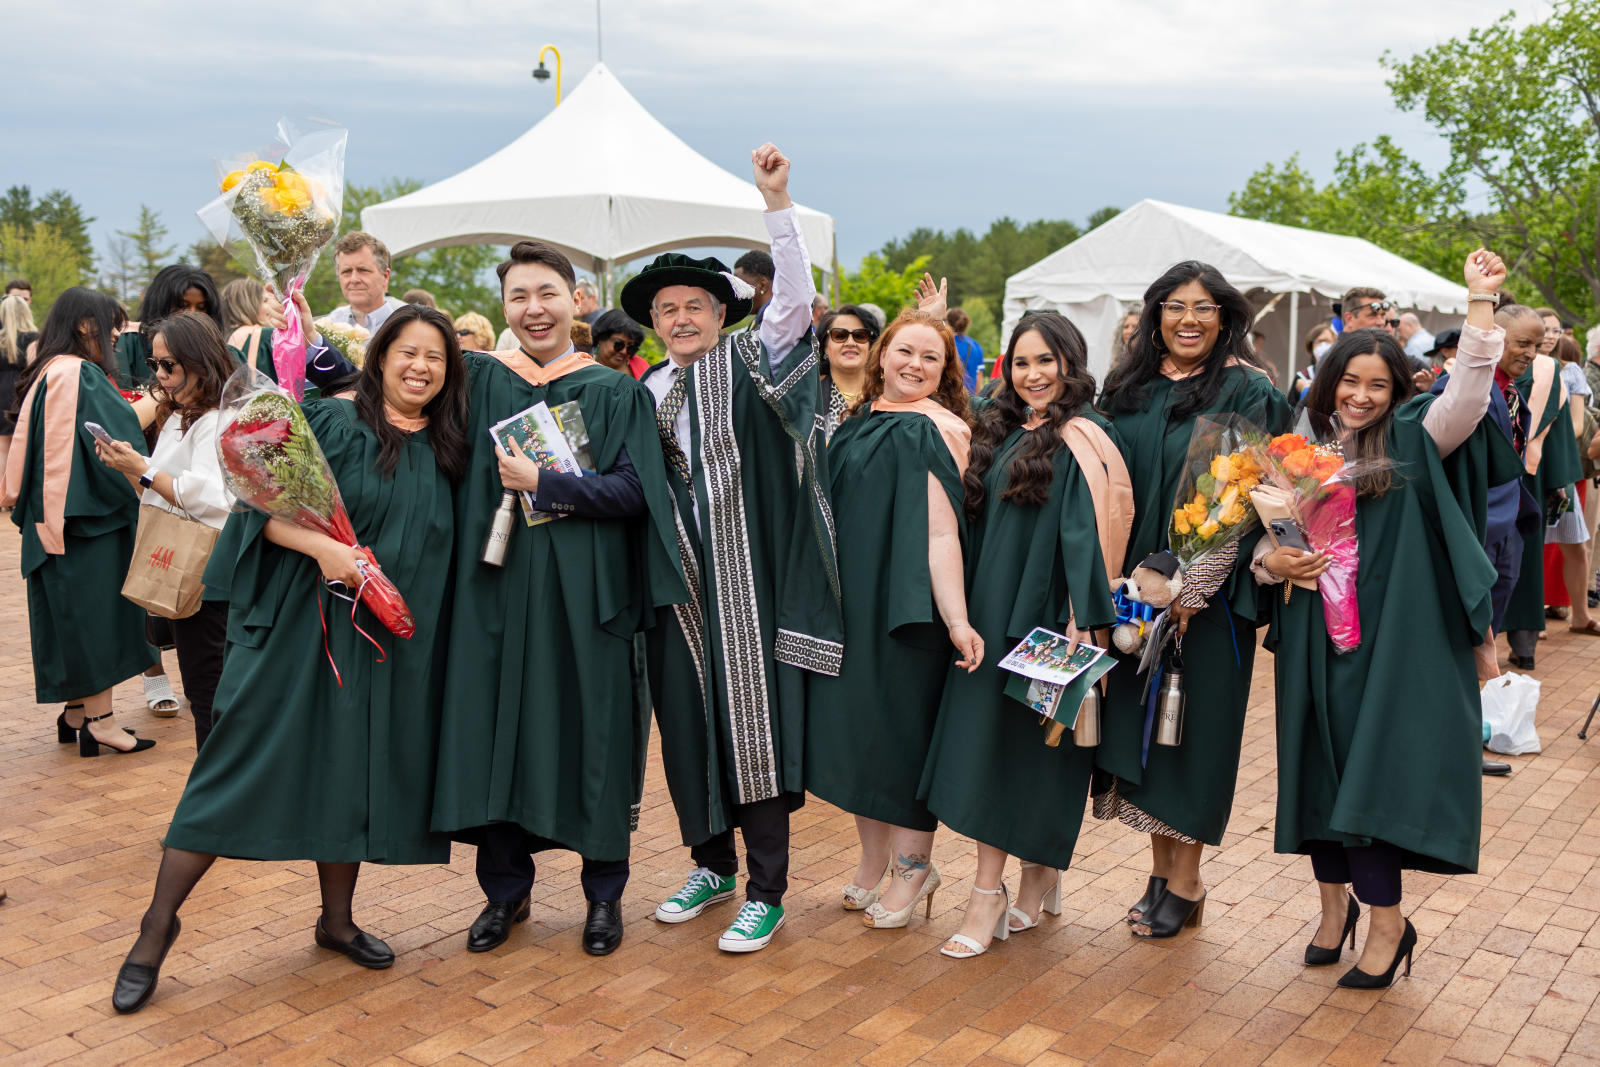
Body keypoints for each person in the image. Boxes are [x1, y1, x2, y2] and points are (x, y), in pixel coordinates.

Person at [110, 303, 469, 1014]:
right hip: (299, 632)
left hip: (381, 648)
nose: (420, 365)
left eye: (435, 355)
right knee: (231, 767)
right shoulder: (333, 425)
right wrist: (325, 548)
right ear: (381, 358)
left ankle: (336, 921)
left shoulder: (449, 452)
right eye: (408, 351)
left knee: (350, 773)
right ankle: (154, 930)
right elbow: (256, 506)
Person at [1262, 249, 1515, 989]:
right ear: (1327, 382)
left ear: (1398, 389)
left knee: (1368, 778)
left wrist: (1479, 304)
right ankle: (1332, 909)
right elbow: (1264, 539)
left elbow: (1466, 394)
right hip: (1313, 635)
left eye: (1379, 383)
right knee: (1317, 769)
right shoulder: (1298, 453)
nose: (1362, 395)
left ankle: (1388, 922)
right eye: (1351, 380)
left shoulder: (1412, 440)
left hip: (1388, 641)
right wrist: (1273, 564)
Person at [431, 242, 683, 960]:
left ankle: (604, 896)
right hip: (494, 595)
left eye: (547, 293)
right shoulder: (475, 380)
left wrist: (546, 484)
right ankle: (504, 893)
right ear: (504, 306)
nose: (533, 309)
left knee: (591, 740)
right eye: (518, 296)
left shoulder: (613, 389)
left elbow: (639, 493)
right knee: (499, 740)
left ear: (576, 300)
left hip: (587, 599)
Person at [633, 143, 837, 954]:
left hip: (746, 577)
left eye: (696, 307)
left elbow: (795, 298)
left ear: (723, 313)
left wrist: (776, 203)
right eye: (667, 310)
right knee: (687, 729)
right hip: (677, 587)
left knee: (754, 731)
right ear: (653, 322)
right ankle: (711, 864)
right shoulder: (644, 389)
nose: (681, 318)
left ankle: (767, 889)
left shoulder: (753, 359)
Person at [921, 311, 1133, 958]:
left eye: (1046, 360)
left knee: (1035, 756)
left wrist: (1080, 627)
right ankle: (1016, 882)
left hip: (1047, 625)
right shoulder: (1002, 428)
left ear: (1070, 363)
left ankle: (1004, 887)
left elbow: (1089, 538)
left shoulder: (1086, 436)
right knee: (989, 752)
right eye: (1021, 362)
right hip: (990, 614)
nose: (1033, 374)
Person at [1095, 261, 1292, 938]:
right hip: (1133, 600)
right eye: (1175, 306)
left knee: (1194, 736)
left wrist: (1191, 586)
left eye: (1204, 308)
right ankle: (1158, 871)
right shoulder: (1126, 388)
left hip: (1208, 604)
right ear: (1154, 316)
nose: (1188, 319)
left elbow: (1252, 496)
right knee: (1143, 738)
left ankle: (1188, 878)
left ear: (1224, 317)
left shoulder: (1247, 390)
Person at [804, 309, 979, 933]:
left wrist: (957, 619)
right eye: (905, 352)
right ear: (881, 355)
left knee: (902, 740)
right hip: (851, 602)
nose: (915, 365)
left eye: (931, 358)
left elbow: (941, 533)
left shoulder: (940, 430)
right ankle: (873, 858)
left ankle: (914, 868)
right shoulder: (857, 422)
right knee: (860, 736)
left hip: (909, 611)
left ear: (945, 370)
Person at [2, 287, 157, 755]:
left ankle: (75, 711)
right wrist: (161, 397)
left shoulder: (49, 370)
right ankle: (101, 722)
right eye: (111, 324)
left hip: (55, 519)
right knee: (95, 619)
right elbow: (117, 440)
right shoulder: (81, 375)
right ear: (86, 325)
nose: (116, 334)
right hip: (86, 522)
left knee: (69, 617)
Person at [92, 313, 237, 749]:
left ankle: (217, 799)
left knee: (209, 687)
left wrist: (142, 468)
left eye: (168, 364)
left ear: (199, 361)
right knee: (203, 686)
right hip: (188, 564)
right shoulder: (181, 415)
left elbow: (211, 499)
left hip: (207, 572)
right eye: (154, 364)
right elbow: (161, 493)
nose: (160, 375)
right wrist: (132, 469)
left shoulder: (215, 418)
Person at [1500, 306, 1584, 669]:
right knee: (1523, 562)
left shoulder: (1544, 372)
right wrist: (1558, 482)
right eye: (1524, 341)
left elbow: (1563, 428)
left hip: (1509, 481)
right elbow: (1560, 434)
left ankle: (1516, 645)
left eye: (1537, 342)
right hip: (1530, 478)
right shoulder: (1550, 372)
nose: (1534, 350)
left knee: (1519, 562)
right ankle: (1523, 647)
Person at [1542, 335, 1595, 634]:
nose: (1548, 334)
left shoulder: (1570, 371)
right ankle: (1529, 618)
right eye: (1543, 328)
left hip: (1561, 465)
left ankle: (1580, 615)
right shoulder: (1520, 367)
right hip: (1529, 466)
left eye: (1553, 329)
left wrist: (1541, 436)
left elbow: (1577, 424)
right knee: (1529, 543)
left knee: (1576, 542)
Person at [115, 264, 223, 389]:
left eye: (201, 307)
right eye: (182, 305)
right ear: (161, 304)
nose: (191, 313)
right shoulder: (128, 345)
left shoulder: (220, 350)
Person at [817, 304, 880, 441]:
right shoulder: (810, 399)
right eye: (840, 335)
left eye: (860, 335)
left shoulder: (889, 394)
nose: (850, 342)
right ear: (825, 347)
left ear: (870, 346)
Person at [322, 233, 406, 332]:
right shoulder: (331, 323)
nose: (354, 279)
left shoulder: (404, 326)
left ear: (385, 276)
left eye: (363, 270)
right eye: (346, 271)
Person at [1, 292, 40, 474]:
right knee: (23, 446)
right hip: (23, 390)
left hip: (1, 390)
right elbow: (36, 367)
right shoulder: (33, 337)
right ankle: (17, 492)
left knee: (2, 447)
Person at [591, 309, 649, 378]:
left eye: (630, 348)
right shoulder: (585, 368)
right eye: (619, 345)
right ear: (601, 338)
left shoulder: (640, 365)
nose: (624, 351)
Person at [1290, 320, 1337, 404]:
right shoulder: (1303, 376)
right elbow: (1291, 410)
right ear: (1311, 347)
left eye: (1327, 341)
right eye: (1319, 342)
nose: (1323, 345)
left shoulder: (1340, 374)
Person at [733, 250, 775, 326]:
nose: (735, 295)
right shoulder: (760, 320)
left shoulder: (775, 321)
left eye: (739, 287)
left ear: (762, 285)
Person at [948, 308, 985, 391]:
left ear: (948, 322)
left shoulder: (945, 343)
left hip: (948, 395)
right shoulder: (975, 345)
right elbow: (979, 375)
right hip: (969, 396)